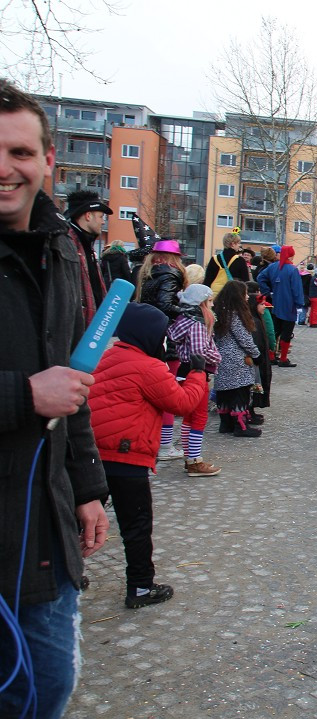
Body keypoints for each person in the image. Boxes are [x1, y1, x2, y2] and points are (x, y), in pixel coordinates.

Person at [0, 81, 109, 719]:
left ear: (47, 162)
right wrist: (23, 395)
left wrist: (89, 487)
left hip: (45, 533)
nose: (4, 169)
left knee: (47, 690)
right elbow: (45, 392)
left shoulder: (63, 251)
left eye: (19, 151)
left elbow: (77, 386)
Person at [89, 303, 209, 608]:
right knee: (136, 526)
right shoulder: (148, 366)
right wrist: (197, 373)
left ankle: (67, 574)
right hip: (127, 457)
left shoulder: (104, 358)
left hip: (91, 455)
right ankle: (141, 587)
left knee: (81, 520)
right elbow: (182, 403)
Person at [136, 238, 188, 461]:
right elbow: (165, 305)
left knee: (148, 392)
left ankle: (151, 438)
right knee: (167, 392)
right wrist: (188, 310)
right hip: (168, 338)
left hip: (147, 337)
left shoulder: (147, 274)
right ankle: (165, 445)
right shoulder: (170, 274)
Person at [165, 284, 222, 476]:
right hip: (196, 372)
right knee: (198, 417)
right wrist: (217, 357)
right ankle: (194, 461)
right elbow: (199, 352)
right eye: (210, 300)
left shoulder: (183, 320)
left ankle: (191, 457)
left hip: (184, 372)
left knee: (189, 418)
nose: (212, 304)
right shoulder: (197, 323)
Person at [212, 280, 262, 438]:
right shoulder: (235, 315)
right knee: (240, 393)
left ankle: (225, 423)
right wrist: (256, 354)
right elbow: (244, 338)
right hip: (237, 359)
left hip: (221, 357)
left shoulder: (220, 312)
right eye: (245, 294)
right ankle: (241, 426)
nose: (247, 297)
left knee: (225, 392)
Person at [64, 189, 111, 325]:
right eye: (101, 217)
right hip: (75, 331)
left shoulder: (86, 245)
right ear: (88, 216)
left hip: (89, 329)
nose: (103, 222)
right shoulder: (67, 244)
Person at [257, 245, 305, 368]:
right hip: (289, 306)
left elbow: (260, 278)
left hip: (275, 304)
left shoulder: (272, 267)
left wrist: (267, 292)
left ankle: (271, 356)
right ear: (291, 255)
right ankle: (283, 359)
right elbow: (297, 289)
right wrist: (299, 304)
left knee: (274, 331)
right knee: (287, 333)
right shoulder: (292, 270)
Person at [245, 281, 274, 418]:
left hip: (260, 359)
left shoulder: (257, 319)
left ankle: (252, 410)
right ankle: (249, 410)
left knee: (258, 383)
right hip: (255, 361)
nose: (264, 307)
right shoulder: (254, 322)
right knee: (255, 384)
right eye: (261, 304)